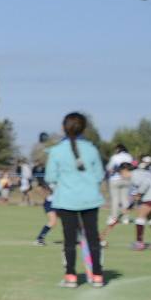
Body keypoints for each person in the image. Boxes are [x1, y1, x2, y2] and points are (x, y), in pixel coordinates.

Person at [44, 112, 105, 288]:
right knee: (93, 238)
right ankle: (98, 275)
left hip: (66, 199)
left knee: (69, 239)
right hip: (90, 199)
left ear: (64, 128)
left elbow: (50, 177)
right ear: (84, 128)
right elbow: (99, 175)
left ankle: (71, 275)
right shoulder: (92, 149)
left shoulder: (56, 151)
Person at [113, 162, 151, 250]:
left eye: (120, 173)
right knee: (150, 217)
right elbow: (136, 197)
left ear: (125, 171)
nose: (121, 176)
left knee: (140, 217)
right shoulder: (138, 173)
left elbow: (146, 183)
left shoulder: (134, 176)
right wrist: (129, 207)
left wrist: (140, 193)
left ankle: (139, 243)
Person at [105, 144, 135, 225]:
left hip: (115, 179)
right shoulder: (129, 156)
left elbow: (108, 168)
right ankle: (126, 218)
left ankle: (114, 218)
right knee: (125, 199)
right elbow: (133, 166)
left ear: (118, 149)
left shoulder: (115, 157)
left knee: (115, 199)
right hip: (127, 179)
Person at [34, 181, 58, 245]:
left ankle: (74, 238)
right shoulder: (50, 179)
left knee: (71, 220)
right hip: (50, 203)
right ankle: (39, 239)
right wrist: (46, 194)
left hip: (60, 203)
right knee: (53, 221)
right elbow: (38, 188)